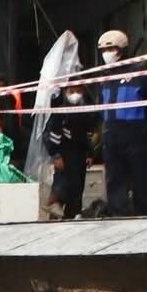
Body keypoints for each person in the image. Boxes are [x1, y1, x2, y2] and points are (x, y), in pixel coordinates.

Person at [96, 30, 147, 216]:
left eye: (111, 48)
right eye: (104, 50)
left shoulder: (139, 72)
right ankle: (118, 216)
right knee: (115, 178)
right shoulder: (103, 77)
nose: (108, 53)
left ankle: (145, 214)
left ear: (122, 49)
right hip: (111, 134)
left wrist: (140, 123)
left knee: (141, 177)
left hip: (135, 133)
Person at [45, 82, 97, 218]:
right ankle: (55, 210)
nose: (74, 94)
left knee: (77, 187)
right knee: (62, 185)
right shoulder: (60, 111)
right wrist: (56, 155)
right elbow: (51, 134)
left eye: (77, 90)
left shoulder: (87, 111)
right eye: (71, 90)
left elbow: (89, 135)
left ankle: (74, 215)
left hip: (79, 154)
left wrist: (90, 154)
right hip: (64, 154)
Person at [0, 65, 27, 156]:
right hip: (8, 144)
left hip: (11, 146)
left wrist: (13, 154)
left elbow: (10, 125)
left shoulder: (5, 97)